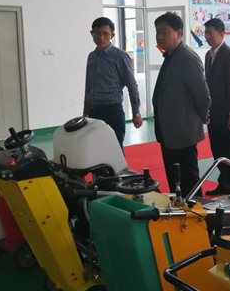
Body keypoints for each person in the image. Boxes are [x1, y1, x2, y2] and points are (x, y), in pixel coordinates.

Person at [152, 12, 211, 197]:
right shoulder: (171, 56)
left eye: (164, 32)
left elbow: (203, 96)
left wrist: (200, 118)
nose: (160, 37)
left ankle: (197, 212)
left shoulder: (187, 58)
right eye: (157, 32)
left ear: (179, 33)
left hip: (183, 132)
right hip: (169, 133)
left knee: (189, 182)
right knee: (175, 181)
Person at [83, 17, 143, 149]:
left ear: (112, 35)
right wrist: (85, 112)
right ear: (92, 33)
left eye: (106, 34)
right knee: (97, 149)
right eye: (97, 33)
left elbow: (132, 85)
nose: (101, 38)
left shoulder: (120, 56)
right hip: (94, 111)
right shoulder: (91, 57)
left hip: (113, 111)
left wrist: (136, 113)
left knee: (115, 149)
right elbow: (88, 85)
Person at [203, 18, 230, 196]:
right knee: (218, 151)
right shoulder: (208, 55)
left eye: (210, 33)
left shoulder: (229, 55)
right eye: (205, 33)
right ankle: (224, 183)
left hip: (227, 113)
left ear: (221, 34)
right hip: (213, 112)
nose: (207, 36)